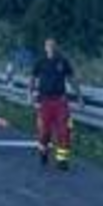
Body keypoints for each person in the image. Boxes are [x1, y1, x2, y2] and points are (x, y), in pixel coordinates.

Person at [29, 37, 82, 170]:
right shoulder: (40, 62)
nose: (51, 48)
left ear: (56, 47)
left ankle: (62, 160)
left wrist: (79, 97)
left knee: (64, 131)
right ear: (45, 48)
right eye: (48, 46)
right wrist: (30, 96)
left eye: (53, 45)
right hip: (44, 102)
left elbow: (71, 79)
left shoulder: (63, 61)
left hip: (60, 101)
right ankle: (43, 152)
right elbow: (32, 79)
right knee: (44, 132)